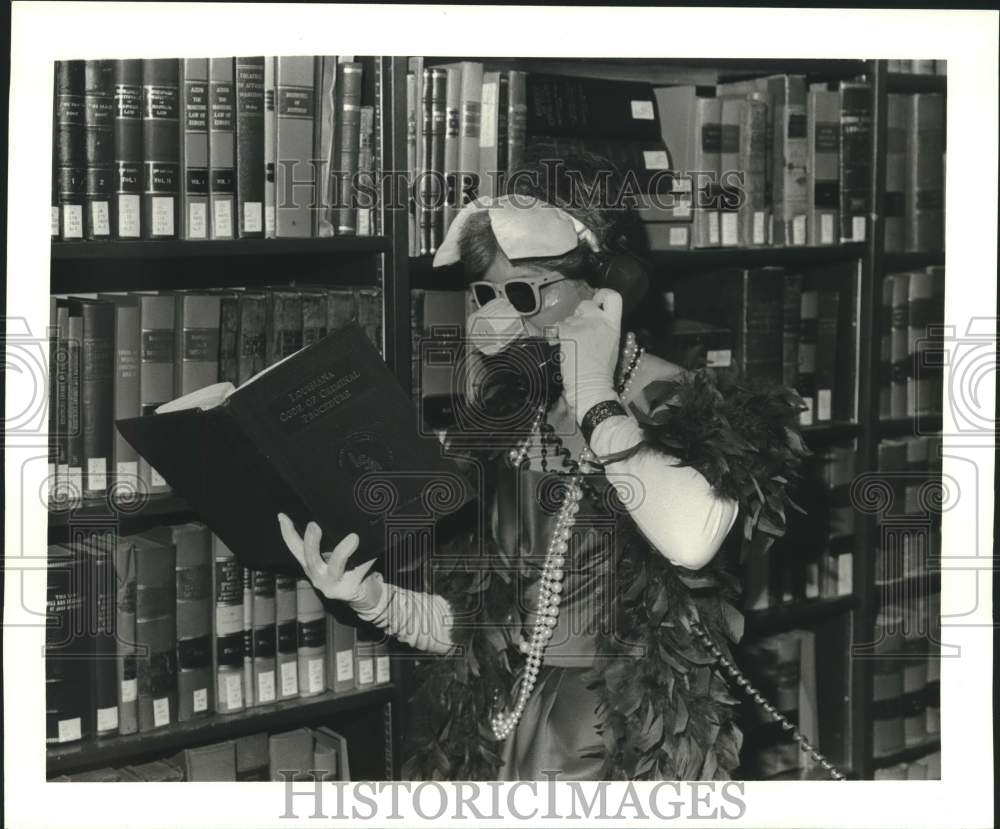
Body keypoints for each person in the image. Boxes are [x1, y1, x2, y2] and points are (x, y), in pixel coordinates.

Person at [278, 156, 810, 781]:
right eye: (484, 293)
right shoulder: (505, 421)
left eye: (527, 292)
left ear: (606, 292)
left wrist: (593, 394)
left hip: (622, 750)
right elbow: (488, 634)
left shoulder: (692, 405)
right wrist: (374, 601)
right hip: (504, 737)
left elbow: (691, 540)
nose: (498, 317)